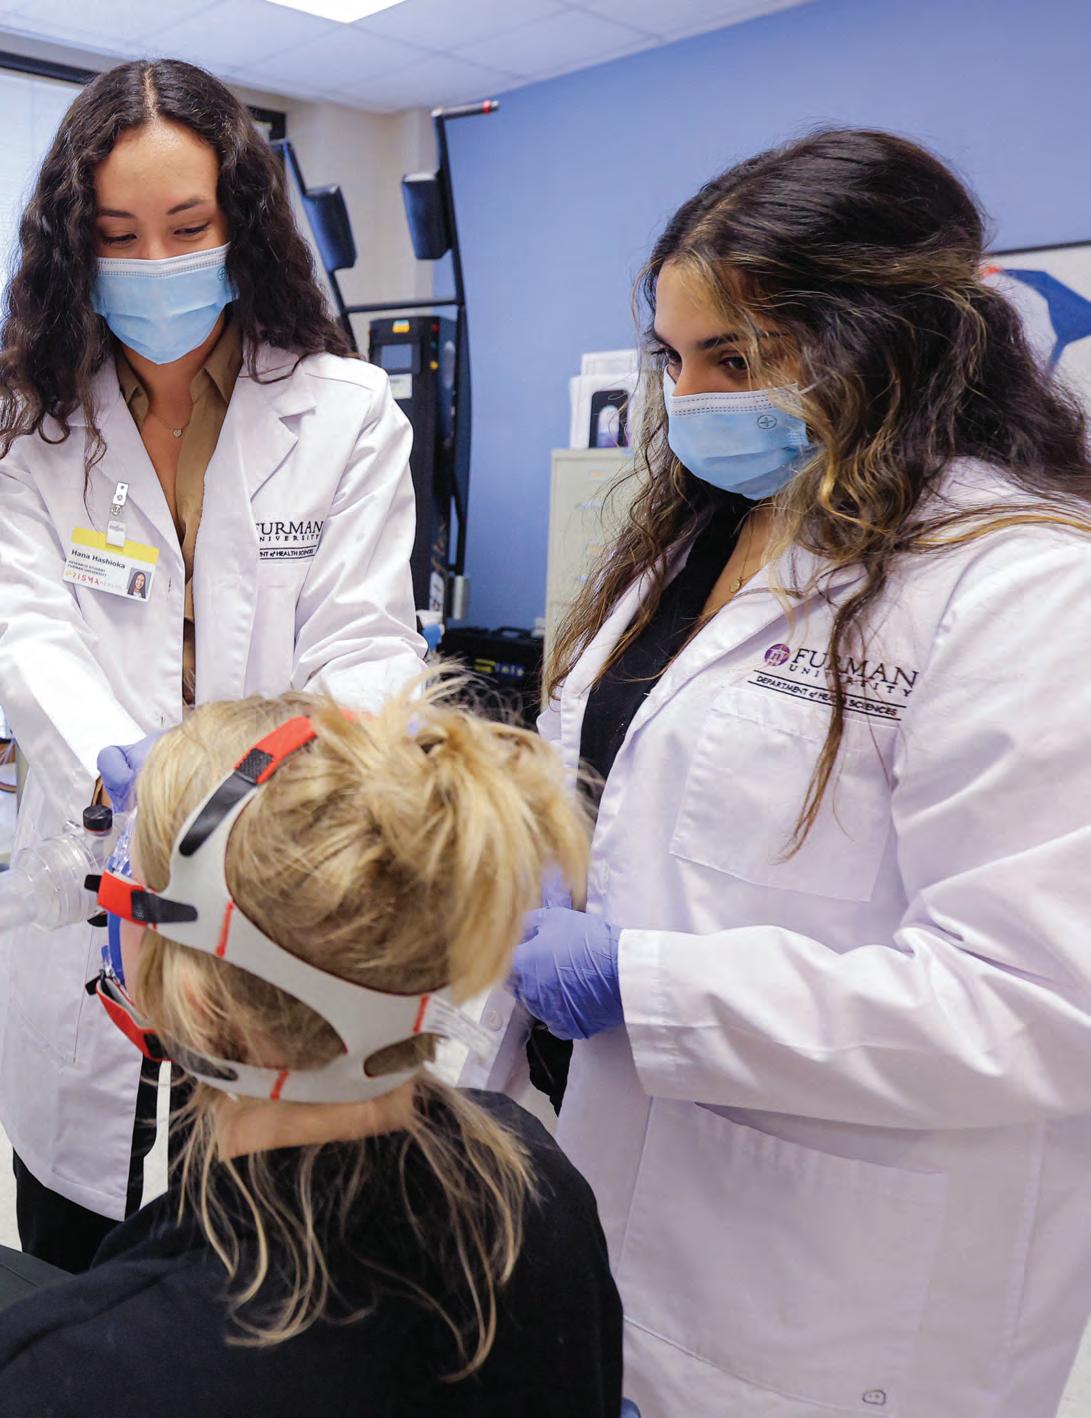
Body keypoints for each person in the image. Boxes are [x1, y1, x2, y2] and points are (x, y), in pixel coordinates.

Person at [499, 129, 1091, 1417]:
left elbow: (1033, 1004)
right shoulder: (703, 537)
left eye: (736, 359)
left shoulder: (1029, 587)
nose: (691, 398)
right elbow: (618, 780)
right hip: (611, 1204)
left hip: (836, 1303)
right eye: (672, 359)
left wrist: (646, 983)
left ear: (894, 338)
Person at [0, 59, 423, 1272]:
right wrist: (128, 769)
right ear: (73, 245)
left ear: (240, 221)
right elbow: (26, 627)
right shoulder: (29, 421)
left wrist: (253, 793)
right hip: (91, 878)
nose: (154, 262)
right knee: (80, 1257)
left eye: (186, 227)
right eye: (116, 234)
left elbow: (365, 641)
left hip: (277, 883)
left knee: (264, 1265)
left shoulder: (344, 411)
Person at [0, 684, 623, 1416]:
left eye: (131, 866)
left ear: (196, 999)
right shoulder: (540, 1183)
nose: (107, 881)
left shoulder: (77, 1375)